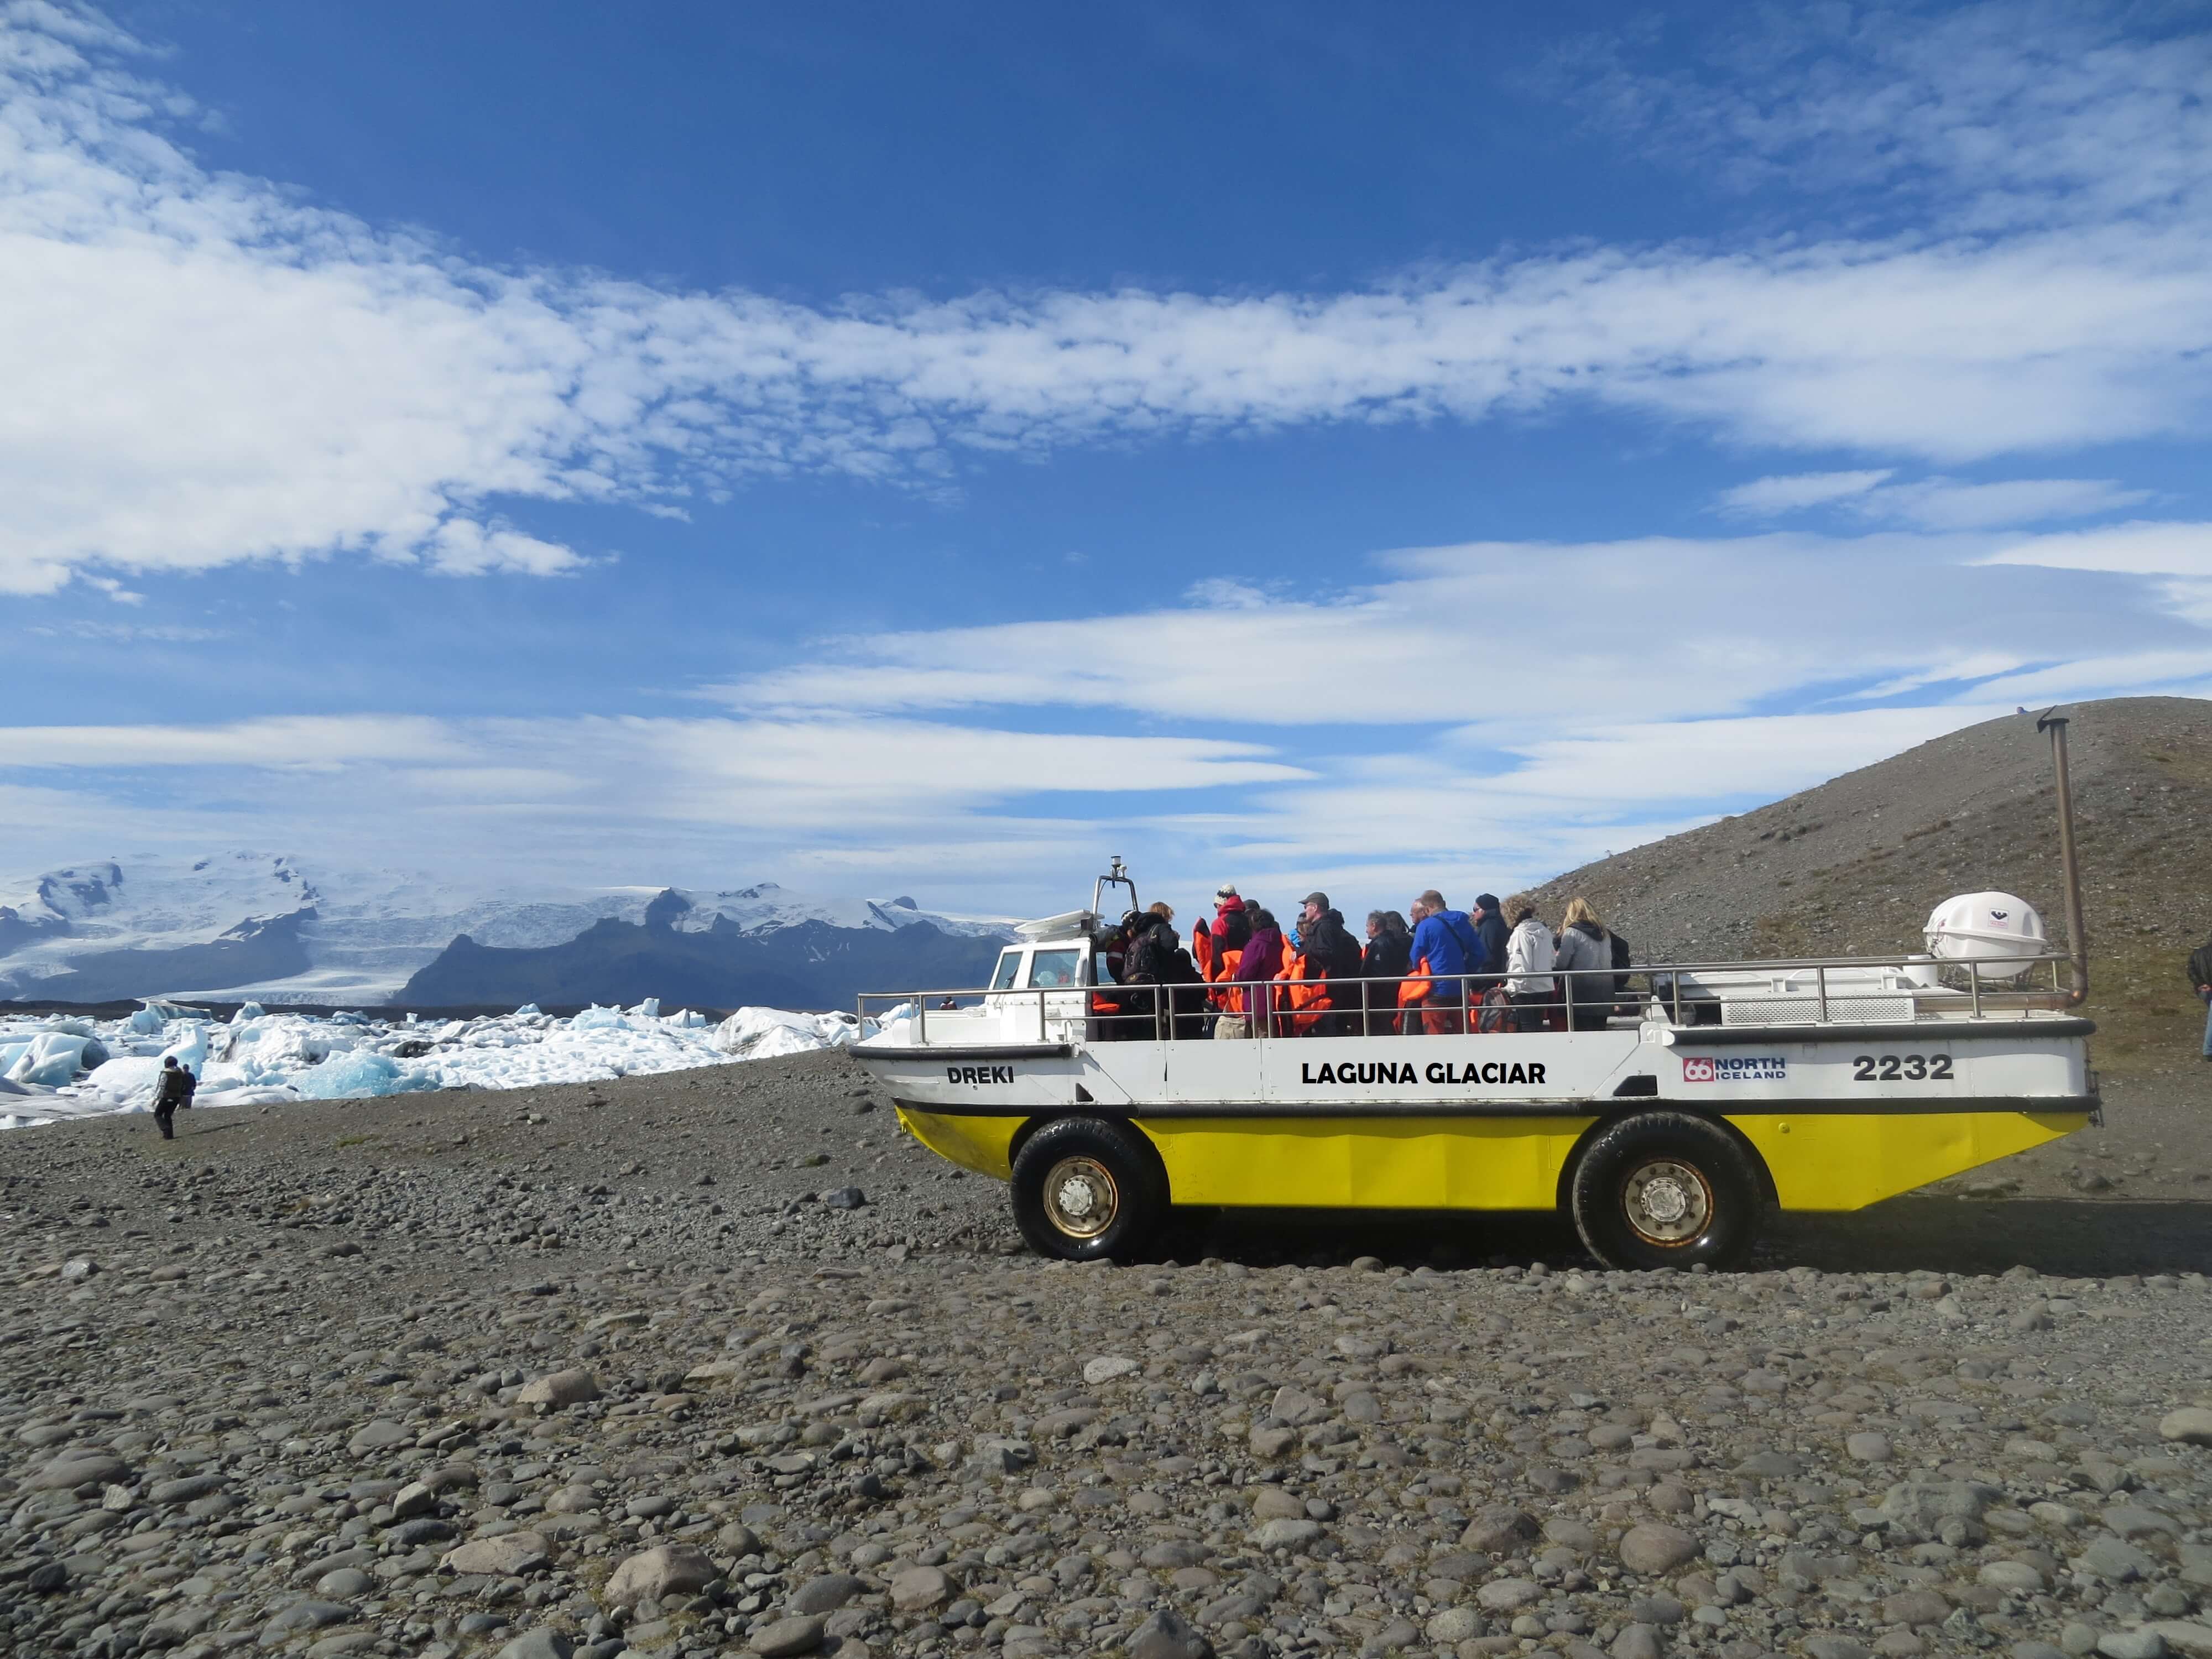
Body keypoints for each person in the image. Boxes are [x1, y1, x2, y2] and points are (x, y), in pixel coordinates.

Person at [1406, 889, 1483, 1034]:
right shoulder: (1464, 923)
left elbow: (1415, 956)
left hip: (1435, 990)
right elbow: (1479, 953)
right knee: (1463, 1037)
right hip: (1460, 988)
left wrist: (1423, 968)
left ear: (1427, 908)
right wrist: (1465, 970)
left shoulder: (1426, 926)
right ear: (1444, 904)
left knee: (1435, 1040)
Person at [1295, 892, 1365, 1034]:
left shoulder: (1323, 928)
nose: (1305, 910)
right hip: (1331, 991)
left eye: (1307, 906)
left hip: (1327, 992)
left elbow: (1327, 954)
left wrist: (1301, 953)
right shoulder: (1327, 927)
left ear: (1315, 908)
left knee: (1328, 1031)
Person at [1122, 901, 1184, 1039]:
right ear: (1166, 915)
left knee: (1147, 1020)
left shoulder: (1141, 932)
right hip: (1156, 981)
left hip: (1137, 983)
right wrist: (1174, 937)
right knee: (1163, 1017)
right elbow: (1170, 945)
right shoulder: (1161, 928)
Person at [1222, 906, 1285, 1037]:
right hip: (1279, 1003)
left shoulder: (1256, 945)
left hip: (1258, 1004)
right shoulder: (1280, 942)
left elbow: (1245, 974)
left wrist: (1236, 977)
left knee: (1261, 1042)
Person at [1553, 897, 1613, 1030]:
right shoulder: (1604, 933)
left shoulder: (1572, 932)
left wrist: (1557, 945)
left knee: (1582, 1034)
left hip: (1580, 993)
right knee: (1600, 1032)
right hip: (1605, 993)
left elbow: (1561, 964)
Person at [1504, 898, 1558, 1031]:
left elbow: (1520, 965)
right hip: (1543, 986)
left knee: (1525, 1028)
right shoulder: (1544, 931)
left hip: (1524, 989)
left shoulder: (1521, 934)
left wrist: (1509, 989)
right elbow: (1552, 960)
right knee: (1537, 1026)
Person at [1361, 910, 1412, 1034]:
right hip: (1389, 994)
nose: (1366, 930)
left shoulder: (1381, 944)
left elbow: (1382, 971)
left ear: (1374, 926)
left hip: (1381, 996)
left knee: (1382, 1028)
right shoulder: (1392, 941)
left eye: (1367, 926)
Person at [1470, 894, 1510, 994]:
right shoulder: (1502, 924)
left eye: (1475, 909)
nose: (1473, 913)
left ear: (1484, 910)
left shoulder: (1488, 927)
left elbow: (1486, 956)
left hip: (1486, 983)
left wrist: (1476, 982)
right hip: (1498, 979)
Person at [152, 1055, 195, 1140]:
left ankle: (165, 1128)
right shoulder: (180, 1073)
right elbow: (184, 1085)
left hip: (166, 1096)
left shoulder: (166, 1074)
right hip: (176, 1097)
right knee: (168, 1115)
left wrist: (156, 1098)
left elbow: (162, 1086)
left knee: (158, 1114)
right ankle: (169, 1136)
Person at [2192, 931, 2212, 1062]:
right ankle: (2208, 1050)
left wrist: (2200, 984)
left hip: (2202, 990)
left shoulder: (2198, 953)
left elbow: (2191, 971)